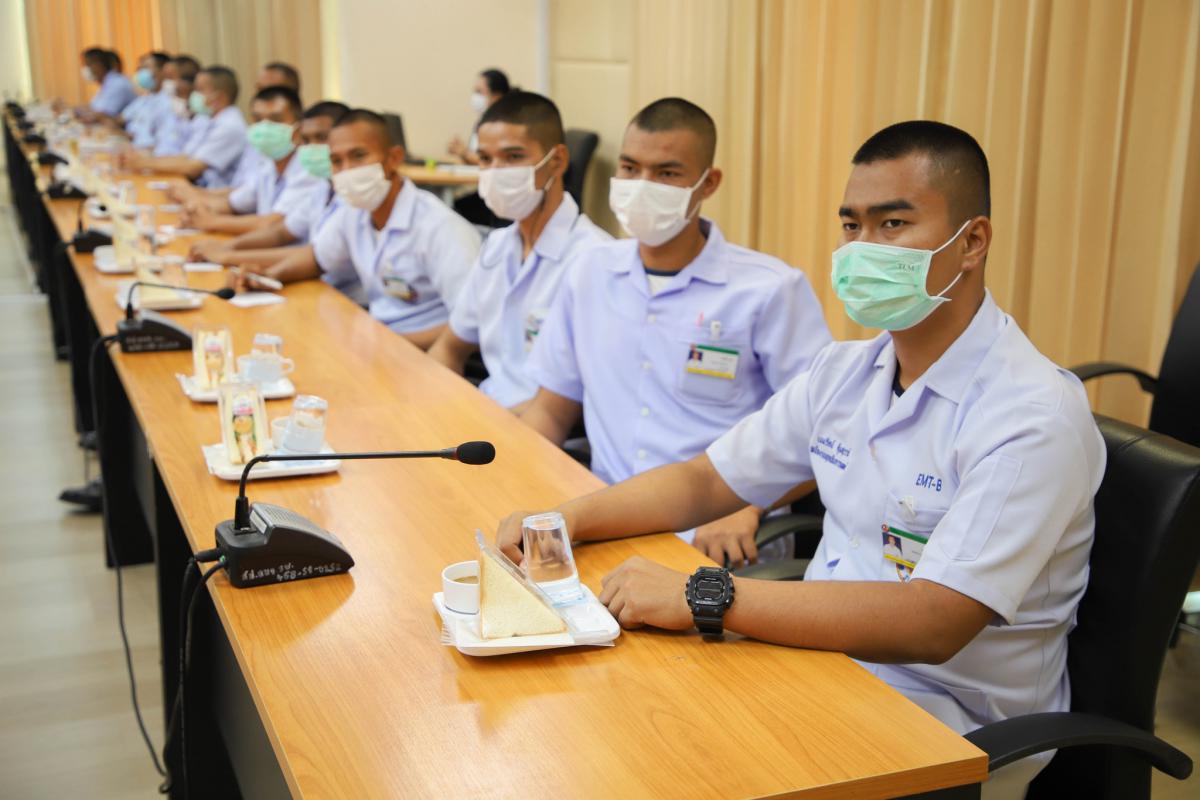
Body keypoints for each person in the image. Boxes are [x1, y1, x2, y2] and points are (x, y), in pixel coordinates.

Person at [497, 120, 1105, 799]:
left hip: (948, 727)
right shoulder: (844, 373)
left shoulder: (1031, 414)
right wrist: (562, 521)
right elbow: (705, 480)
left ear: (972, 242)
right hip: (819, 666)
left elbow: (935, 621)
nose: (862, 248)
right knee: (607, 723)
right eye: (851, 225)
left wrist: (703, 595)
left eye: (893, 223)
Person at [516, 98, 830, 564]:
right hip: (599, 526)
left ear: (709, 183)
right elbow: (551, 409)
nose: (643, 185)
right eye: (630, 168)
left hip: (715, 540)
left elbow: (822, 436)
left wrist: (748, 504)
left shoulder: (769, 290)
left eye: (666, 173)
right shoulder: (588, 272)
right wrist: (515, 479)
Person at [428, 91, 610, 409]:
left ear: (557, 161)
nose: (496, 171)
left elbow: (575, 398)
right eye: (485, 159)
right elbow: (449, 347)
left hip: (542, 427)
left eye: (513, 157)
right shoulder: (496, 247)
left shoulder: (595, 260)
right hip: (486, 412)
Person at [247, 109, 480, 349]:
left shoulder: (440, 227)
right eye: (336, 161)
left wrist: (390, 345)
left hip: (423, 350)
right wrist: (266, 278)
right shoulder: (354, 211)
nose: (347, 170)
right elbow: (316, 259)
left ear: (394, 158)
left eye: (358, 156)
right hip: (377, 336)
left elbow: (472, 322)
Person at [190, 100, 350, 265]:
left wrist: (227, 254)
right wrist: (225, 247)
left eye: (322, 138)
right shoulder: (322, 186)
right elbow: (280, 232)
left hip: (311, 272)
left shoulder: (340, 186)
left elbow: (314, 255)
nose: (313, 147)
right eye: (306, 140)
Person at [177, 86, 323, 235]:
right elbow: (233, 203)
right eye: (258, 119)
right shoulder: (269, 165)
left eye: (276, 119)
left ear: (299, 129)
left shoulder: (309, 170)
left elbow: (274, 223)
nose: (265, 127)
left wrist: (211, 221)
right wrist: (196, 208)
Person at [124, 65, 245, 187]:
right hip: (200, 188)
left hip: (212, 192)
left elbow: (193, 168)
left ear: (220, 97)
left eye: (200, 90)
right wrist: (143, 161)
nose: (194, 94)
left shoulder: (229, 126)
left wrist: (142, 163)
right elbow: (185, 157)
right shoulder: (210, 120)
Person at [448, 68, 510, 165]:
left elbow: (494, 162)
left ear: (497, 96)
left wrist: (464, 153)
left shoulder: (504, 125)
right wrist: (461, 153)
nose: (475, 97)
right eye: (475, 91)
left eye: (479, 92)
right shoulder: (482, 121)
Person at [119, 51, 173, 149]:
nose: (141, 73)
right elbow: (120, 120)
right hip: (132, 148)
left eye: (146, 68)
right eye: (139, 69)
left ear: (163, 70)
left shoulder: (170, 101)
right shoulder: (144, 99)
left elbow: (161, 142)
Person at [150, 55, 201, 156]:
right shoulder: (171, 107)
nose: (165, 82)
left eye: (169, 77)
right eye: (164, 77)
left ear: (187, 82)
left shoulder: (200, 116)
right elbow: (160, 145)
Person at [77, 47, 136, 121]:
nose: (85, 69)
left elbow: (104, 115)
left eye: (88, 65)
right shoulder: (106, 84)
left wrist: (79, 114)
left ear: (98, 64)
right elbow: (93, 107)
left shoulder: (117, 84)